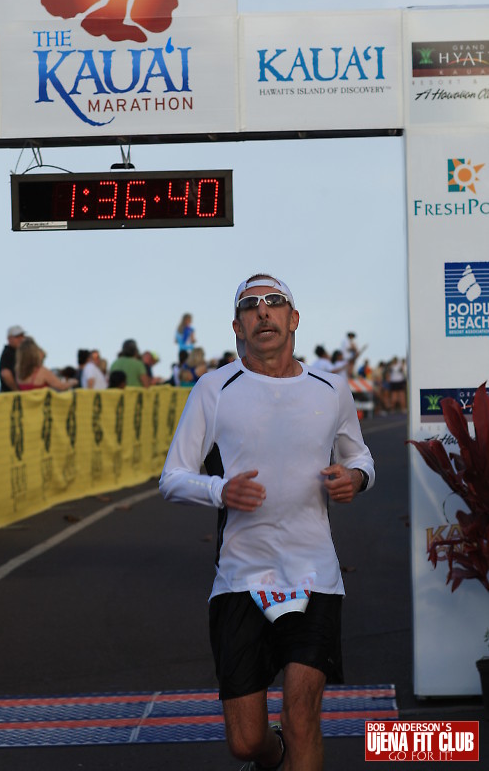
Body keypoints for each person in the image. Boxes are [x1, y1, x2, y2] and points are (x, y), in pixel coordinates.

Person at [160, 273, 375, 771]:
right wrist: (220, 490)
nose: (263, 311)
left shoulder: (331, 389)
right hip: (241, 579)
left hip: (313, 573)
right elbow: (172, 477)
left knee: (302, 718)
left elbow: (361, 457)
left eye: (274, 302)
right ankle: (271, 755)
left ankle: (290, 744)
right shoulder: (213, 390)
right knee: (246, 742)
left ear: (293, 318)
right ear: (236, 326)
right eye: (251, 305)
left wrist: (354, 479)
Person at [0, 325, 26, 392]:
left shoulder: (21, 352)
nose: (21, 339)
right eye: (17, 337)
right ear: (9, 339)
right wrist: (17, 391)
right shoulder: (8, 353)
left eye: (22, 336)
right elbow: (5, 374)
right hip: (10, 397)